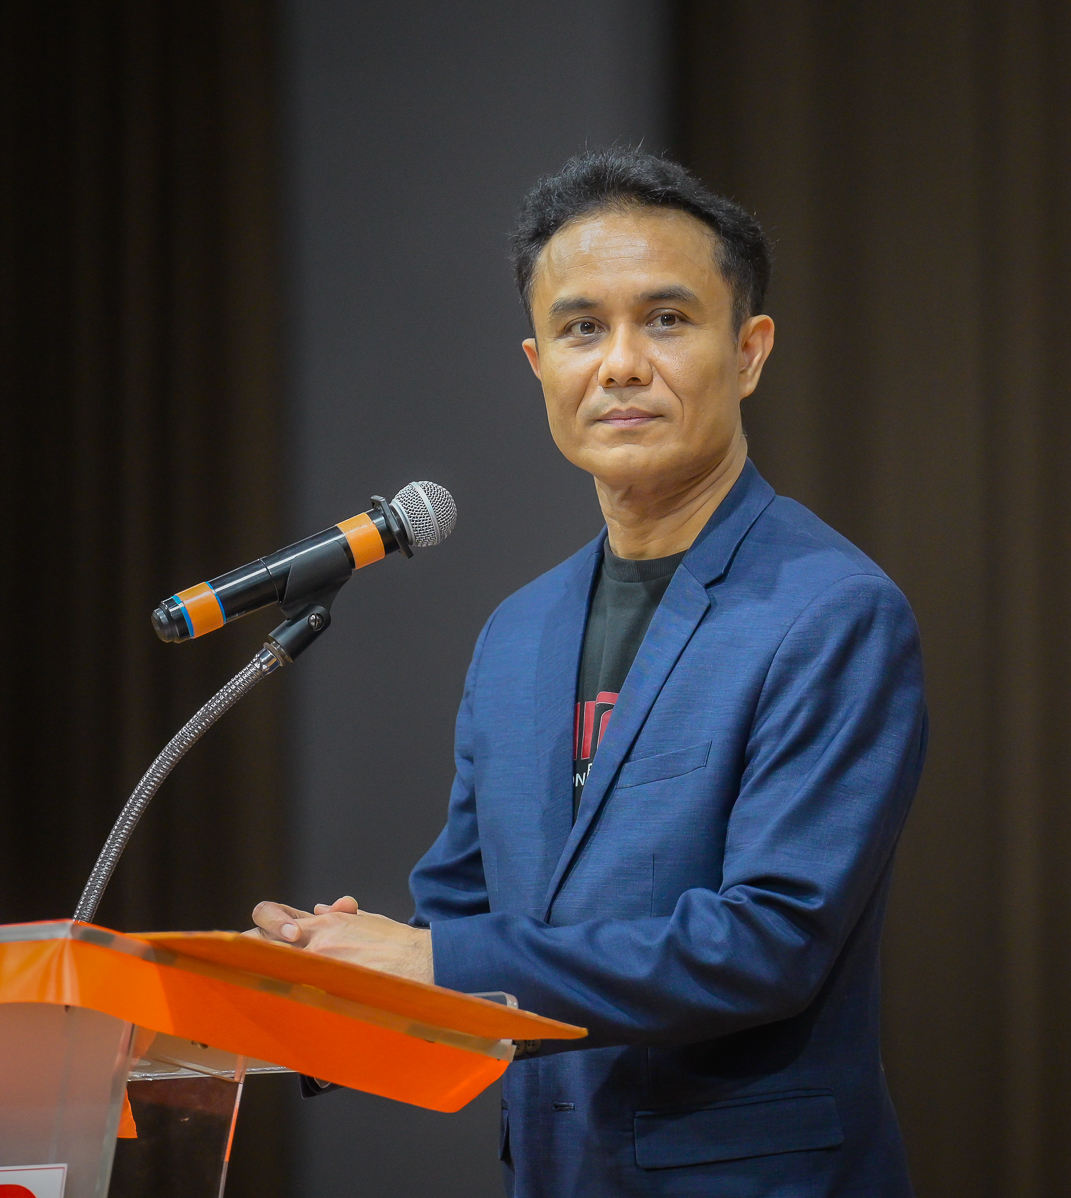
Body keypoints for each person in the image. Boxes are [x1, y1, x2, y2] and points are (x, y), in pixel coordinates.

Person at [251, 148, 927, 1197]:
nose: (619, 364)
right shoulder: (518, 633)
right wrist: (329, 973)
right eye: (580, 329)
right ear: (538, 366)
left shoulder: (831, 611)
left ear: (749, 351)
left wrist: (433, 961)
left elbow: (768, 943)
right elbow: (461, 921)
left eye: (666, 320)